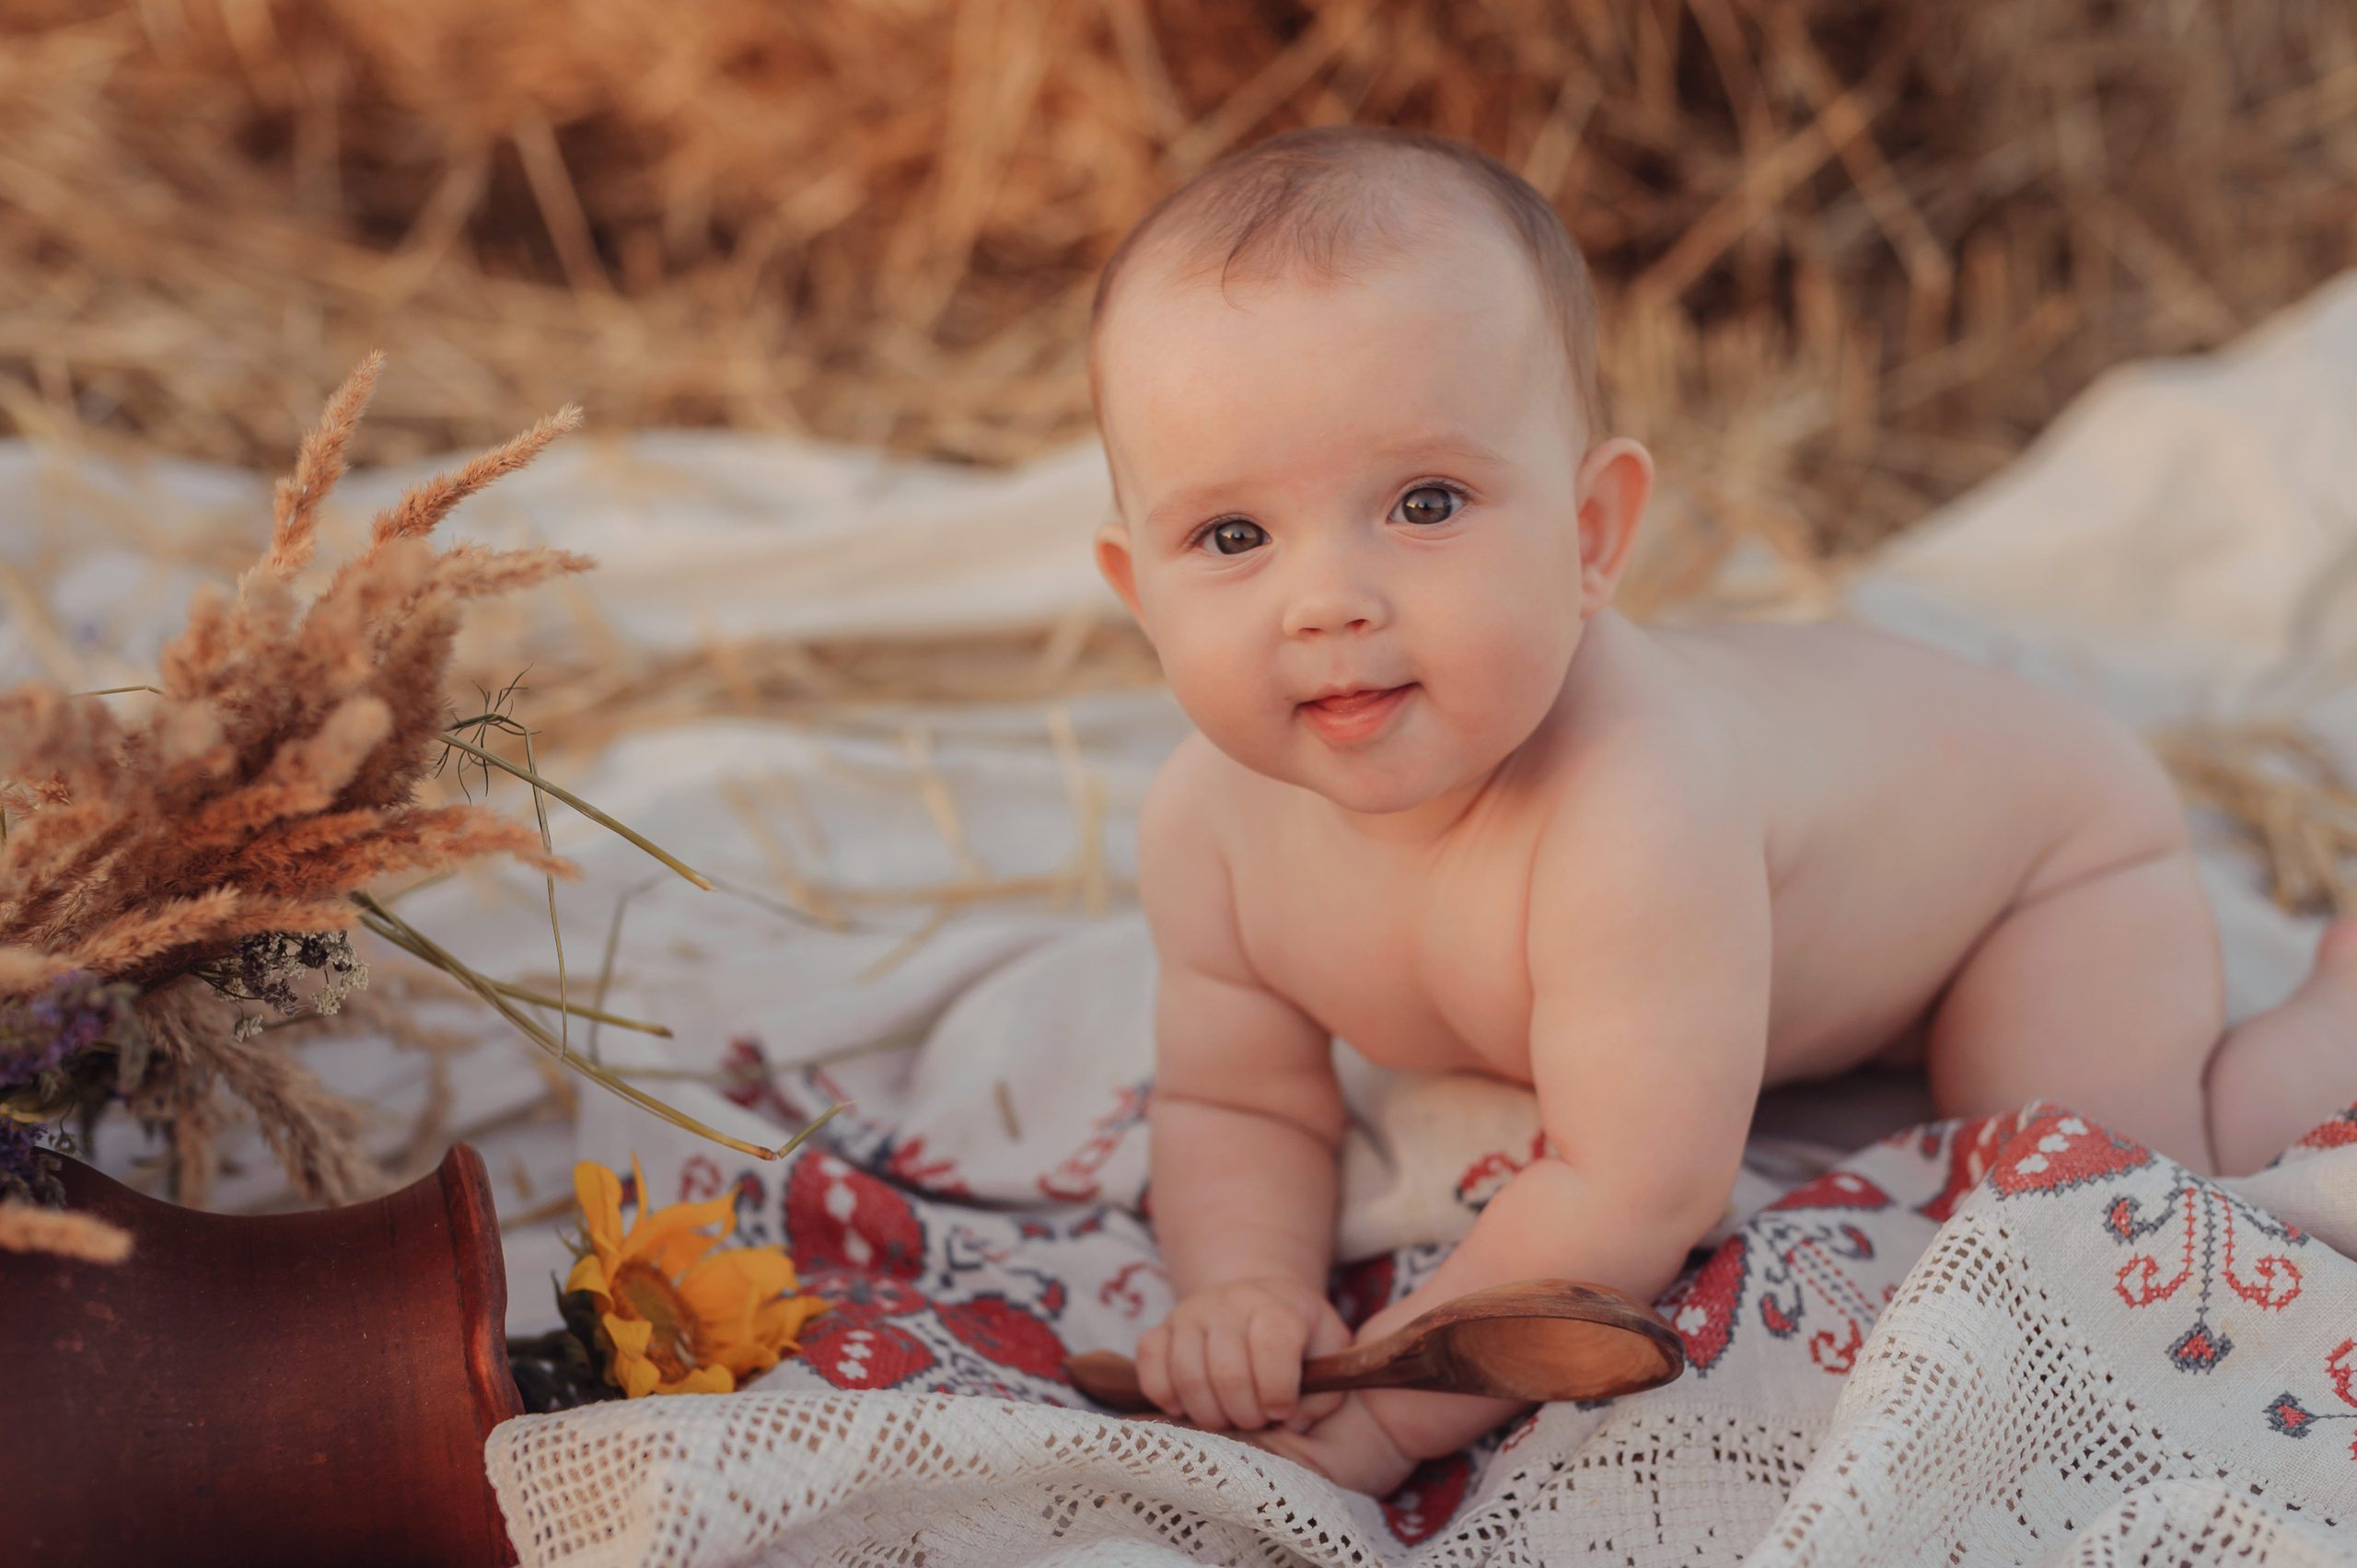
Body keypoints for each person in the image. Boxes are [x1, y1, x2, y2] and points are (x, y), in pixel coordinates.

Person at [1084, 123, 2357, 1496]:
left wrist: (1396, 1403)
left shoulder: (1630, 812)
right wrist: (1245, 1291)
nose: (1327, 599)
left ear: (1590, 538)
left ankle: (2330, 1021)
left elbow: (1635, 1189)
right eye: (1232, 537)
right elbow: (1237, 1098)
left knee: (2100, 1186)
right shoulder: (1206, 831)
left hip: (2034, 869)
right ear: (1135, 588)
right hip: (1849, 866)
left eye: (1425, 501)